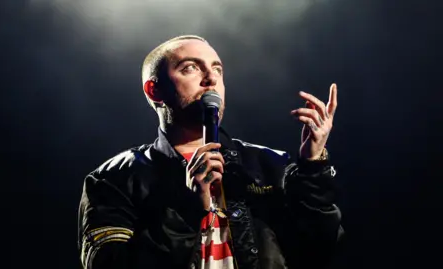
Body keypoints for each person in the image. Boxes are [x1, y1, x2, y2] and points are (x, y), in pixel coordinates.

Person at [77, 35, 343, 269]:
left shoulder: (270, 166)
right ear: (154, 90)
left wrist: (312, 167)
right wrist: (187, 208)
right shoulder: (113, 180)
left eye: (217, 69)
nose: (211, 78)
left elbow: (318, 252)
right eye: (191, 68)